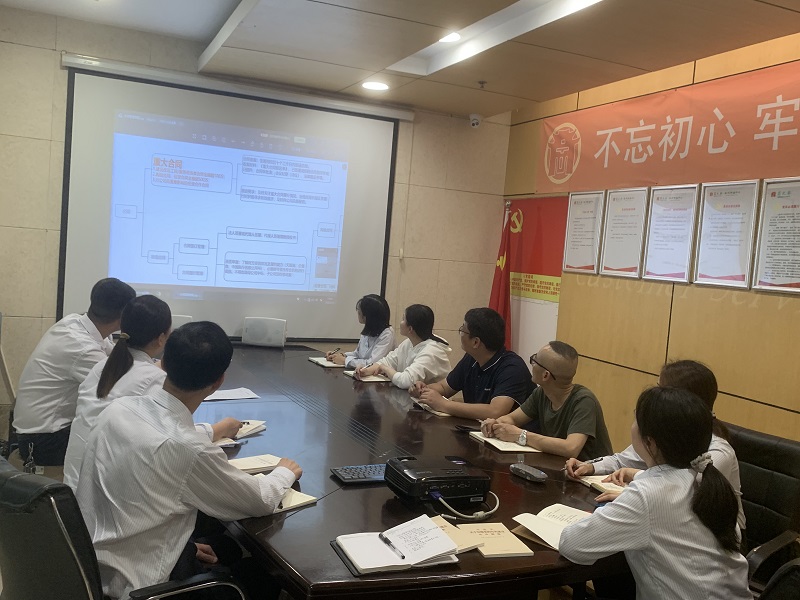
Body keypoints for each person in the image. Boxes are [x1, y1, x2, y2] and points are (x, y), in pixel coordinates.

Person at [75, 321, 302, 600]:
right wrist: (284, 472)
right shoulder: (189, 450)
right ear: (218, 381)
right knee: (261, 575)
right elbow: (261, 500)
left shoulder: (118, 409)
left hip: (94, 566)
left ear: (163, 362)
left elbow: (164, 434)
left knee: (225, 546)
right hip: (142, 589)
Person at [559, 387, 752, 600]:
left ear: (650, 442)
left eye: (636, 419)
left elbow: (572, 545)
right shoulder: (707, 483)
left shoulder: (648, 496)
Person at [63, 295, 243, 490]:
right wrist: (219, 429)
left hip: (74, 485)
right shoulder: (156, 381)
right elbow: (177, 439)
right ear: (162, 338)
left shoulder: (101, 366)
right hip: (106, 488)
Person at [565, 359, 745, 529]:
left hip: (721, 534)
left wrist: (635, 486)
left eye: (661, 389)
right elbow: (624, 459)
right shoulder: (665, 434)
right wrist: (590, 467)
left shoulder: (719, 451)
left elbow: (684, 495)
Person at [12, 277, 136, 466]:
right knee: (126, 435)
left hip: (40, 433)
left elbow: (114, 356)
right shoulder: (82, 348)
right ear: (124, 316)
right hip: (42, 441)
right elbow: (123, 386)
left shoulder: (74, 322)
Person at [480, 341, 612, 460]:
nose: (532, 364)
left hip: (592, 474)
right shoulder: (541, 393)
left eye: (535, 361)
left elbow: (571, 448)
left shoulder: (584, 401)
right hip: (558, 466)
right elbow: (512, 419)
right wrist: (495, 424)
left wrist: (521, 435)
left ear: (545, 375)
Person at [411, 307, 533, 419]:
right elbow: (445, 388)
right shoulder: (472, 358)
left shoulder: (512, 368)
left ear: (475, 342)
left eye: (463, 330)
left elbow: (495, 411)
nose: (460, 334)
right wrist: (423, 390)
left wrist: (444, 404)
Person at [355, 304, 450, 389]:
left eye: (403, 319)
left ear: (410, 329)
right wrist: (366, 371)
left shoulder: (431, 351)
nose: (400, 322)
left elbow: (406, 381)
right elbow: (387, 361)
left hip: (432, 401)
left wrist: (385, 368)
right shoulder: (409, 342)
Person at [326, 294, 394, 368]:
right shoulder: (369, 329)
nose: (358, 313)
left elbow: (373, 363)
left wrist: (345, 360)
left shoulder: (387, 334)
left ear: (368, 315)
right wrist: (342, 355)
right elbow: (358, 354)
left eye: (359, 311)